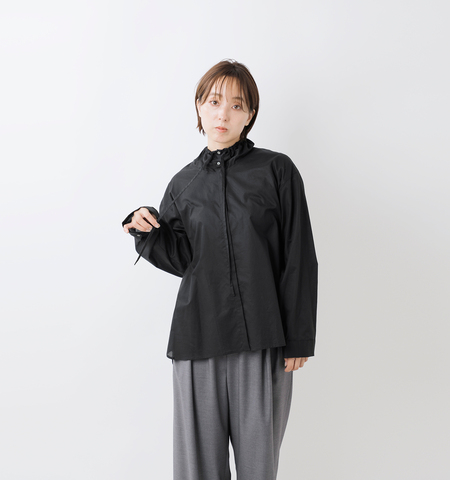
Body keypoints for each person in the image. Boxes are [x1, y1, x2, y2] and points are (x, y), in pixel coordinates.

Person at [122, 59, 318, 480]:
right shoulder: (183, 183)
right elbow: (182, 259)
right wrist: (144, 228)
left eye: (236, 104)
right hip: (197, 339)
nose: (223, 113)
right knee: (198, 471)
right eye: (213, 102)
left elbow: (299, 255)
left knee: (258, 468)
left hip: (263, 339)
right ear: (199, 106)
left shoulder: (276, 171)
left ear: (250, 114)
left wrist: (299, 337)